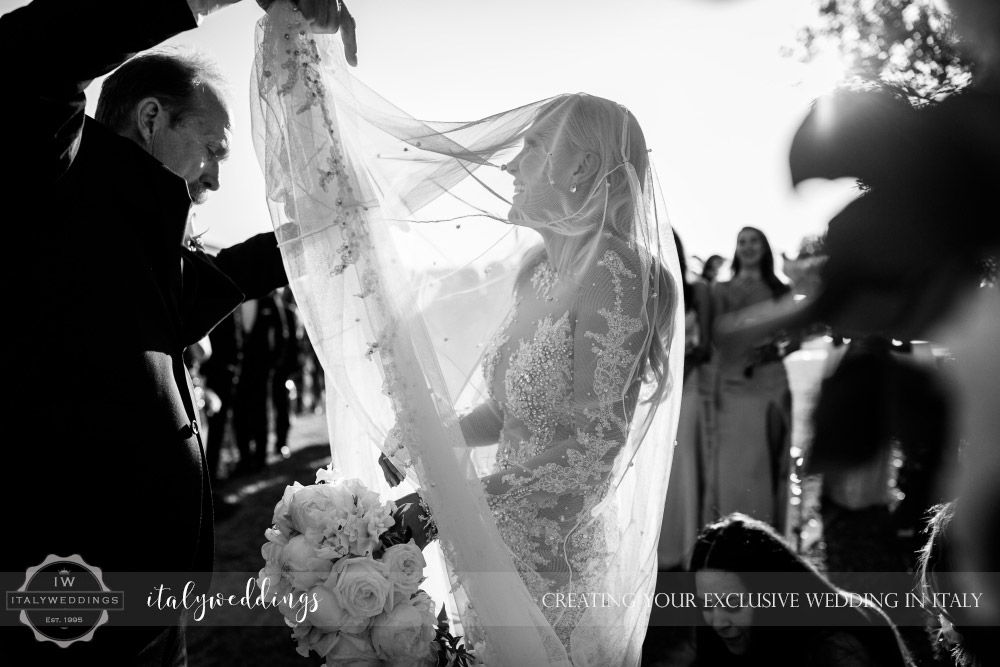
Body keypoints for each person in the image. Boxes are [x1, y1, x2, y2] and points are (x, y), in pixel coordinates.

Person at [251, 21, 685, 661]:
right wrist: (432, 441)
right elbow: (510, 414)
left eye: (534, 148)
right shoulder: (535, 271)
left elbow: (589, 452)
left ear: (583, 167)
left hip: (552, 557)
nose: (511, 163)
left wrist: (450, 504)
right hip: (493, 539)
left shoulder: (616, 276)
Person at [0, 1, 357, 664]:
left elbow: (220, 279)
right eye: (213, 150)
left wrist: (321, 225)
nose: (217, 178)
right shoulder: (42, 178)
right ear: (152, 116)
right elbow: (30, 55)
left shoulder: (136, 233)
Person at [690, 513, 911, 667]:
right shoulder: (759, 639)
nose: (717, 622)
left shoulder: (835, 648)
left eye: (732, 604)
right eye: (705, 604)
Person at [705, 226, 797, 529]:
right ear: (736, 248)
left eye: (753, 241)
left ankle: (769, 530)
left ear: (764, 247)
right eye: (742, 241)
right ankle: (730, 528)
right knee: (733, 461)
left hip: (771, 381)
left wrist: (776, 350)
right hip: (732, 384)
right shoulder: (721, 290)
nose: (747, 246)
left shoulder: (781, 288)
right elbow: (714, 339)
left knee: (767, 460)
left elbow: (797, 336)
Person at [658, 231, 712, 572]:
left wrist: (683, 364)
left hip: (690, 384)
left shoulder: (698, 291)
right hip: (659, 387)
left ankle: (684, 543)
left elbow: (706, 344)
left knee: (683, 459)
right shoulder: (651, 284)